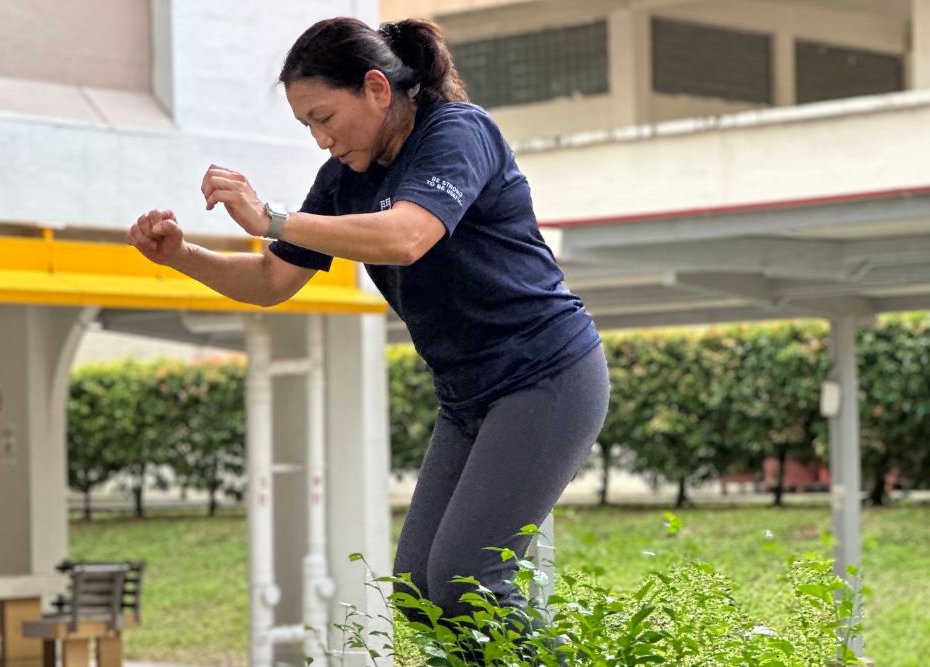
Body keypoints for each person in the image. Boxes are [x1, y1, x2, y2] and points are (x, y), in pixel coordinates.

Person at [128, 16, 609, 661]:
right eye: (308, 128)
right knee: (417, 590)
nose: (322, 139)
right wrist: (181, 255)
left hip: (547, 376)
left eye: (326, 117)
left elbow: (409, 236)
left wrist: (269, 215)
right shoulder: (342, 182)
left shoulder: (457, 132)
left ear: (378, 88)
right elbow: (273, 279)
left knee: (470, 582)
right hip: (468, 399)